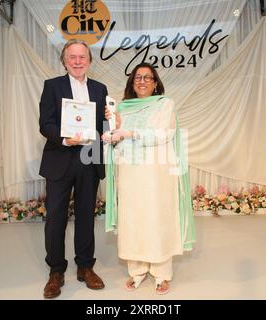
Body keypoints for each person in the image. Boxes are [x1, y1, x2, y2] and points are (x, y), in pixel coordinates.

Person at [103, 63, 196, 295]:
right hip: (128, 172)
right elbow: (118, 138)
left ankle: (161, 273)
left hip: (156, 174)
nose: (142, 81)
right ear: (131, 82)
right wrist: (112, 129)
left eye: (147, 77)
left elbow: (165, 133)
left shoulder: (165, 104)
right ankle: (137, 271)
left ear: (155, 83)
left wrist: (130, 133)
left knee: (156, 218)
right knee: (132, 219)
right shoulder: (122, 107)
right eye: (137, 77)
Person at [39, 39, 107, 298]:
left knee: (86, 215)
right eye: (73, 57)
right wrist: (67, 138)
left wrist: (110, 126)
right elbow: (45, 123)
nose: (78, 61)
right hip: (60, 158)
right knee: (55, 218)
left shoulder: (100, 89)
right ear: (65, 61)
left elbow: (102, 124)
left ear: (89, 61)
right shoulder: (52, 86)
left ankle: (85, 267)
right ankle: (56, 271)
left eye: (82, 57)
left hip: (90, 158)